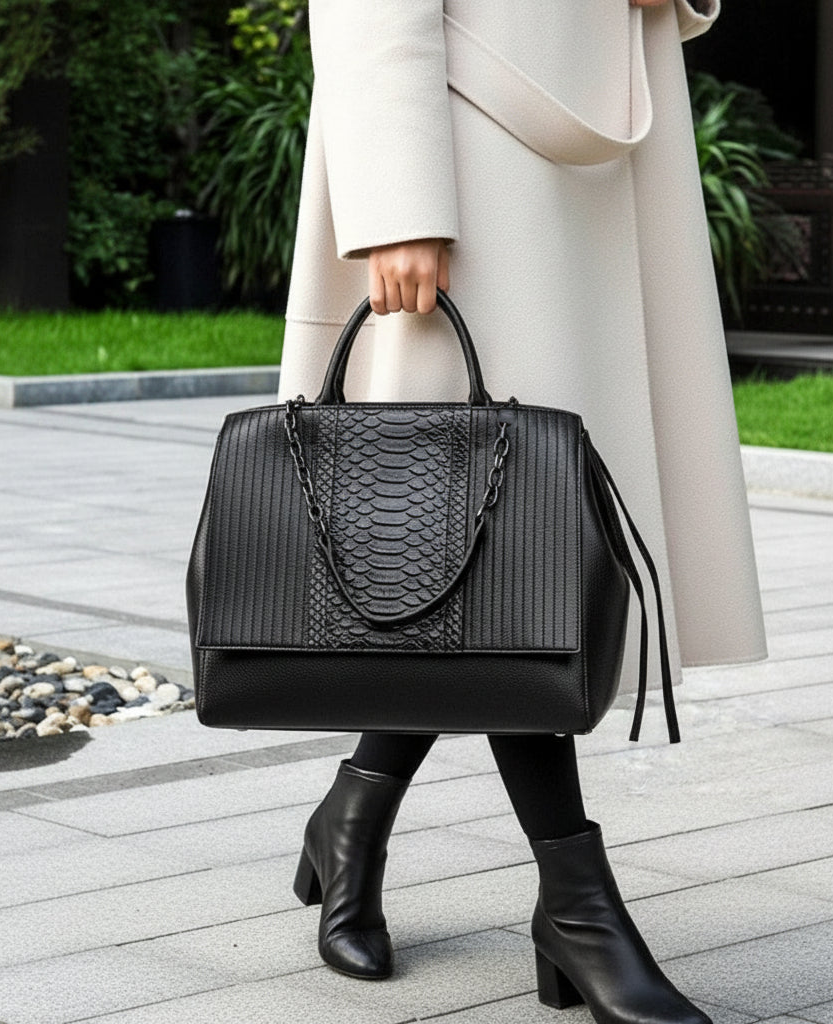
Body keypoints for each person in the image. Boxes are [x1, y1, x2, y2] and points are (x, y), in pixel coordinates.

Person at [276, 0, 767, 1020]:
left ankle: (352, 815)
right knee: (510, 546)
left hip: (598, 147)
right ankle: (578, 905)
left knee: (511, 535)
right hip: (465, 153)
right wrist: (398, 200)